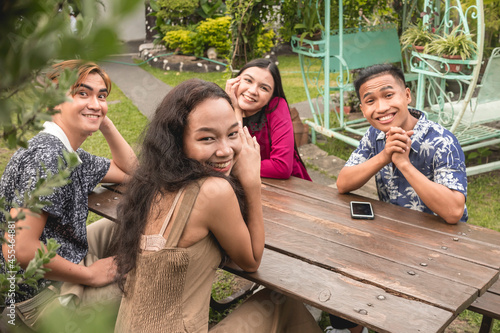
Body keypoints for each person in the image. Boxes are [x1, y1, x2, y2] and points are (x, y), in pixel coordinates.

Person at [113, 79, 322, 333]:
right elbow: (251, 260)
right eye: (207, 138)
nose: (225, 150)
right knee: (281, 303)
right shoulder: (212, 191)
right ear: (178, 142)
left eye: (233, 134)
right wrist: (252, 183)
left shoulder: (151, 182)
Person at [329, 64, 468, 332]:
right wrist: (384, 155)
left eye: (388, 95)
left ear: (407, 95)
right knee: (341, 260)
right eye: (370, 101)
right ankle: (350, 326)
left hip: (442, 248)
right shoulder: (374, 135)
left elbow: (453, 211)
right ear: (362, 108)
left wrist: (403, 163)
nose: (381, 108)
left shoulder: (442, 141)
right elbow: (343, 183)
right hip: (392, 237)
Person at [0, 60, 138, 329]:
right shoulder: (49, 157)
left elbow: (132, 172)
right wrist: (89, 275)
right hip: (34, 301)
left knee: (131, 226)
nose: (96, 103)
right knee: (142, 279)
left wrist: (101, 119)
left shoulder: (69, 153)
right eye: (82, 93)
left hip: (62, 255)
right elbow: (17, 248)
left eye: (102, 96)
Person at [225, 58, 312, 181]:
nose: (253, 91)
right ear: (235, 81)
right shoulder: (220, 105)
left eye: (264, 88)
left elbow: (281, 167)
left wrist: (233, 166)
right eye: (248, 80)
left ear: (271, 96)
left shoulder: (276, 106)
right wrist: (236, 109)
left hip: (288, 189)